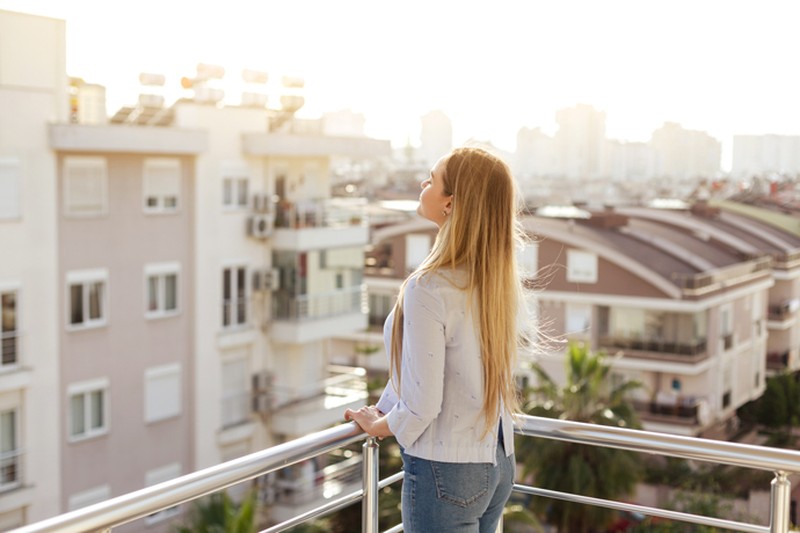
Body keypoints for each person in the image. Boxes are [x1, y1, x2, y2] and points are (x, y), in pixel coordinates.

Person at [345, 146, 528, 532]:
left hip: (446, 471)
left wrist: (382, 426)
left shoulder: (429, 286)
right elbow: (430, 367)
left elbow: (425, 402)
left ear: (450, 204)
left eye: (431, 178)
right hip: (497, 459)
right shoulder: (492, 280)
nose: (421, 183)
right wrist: (387, 407)